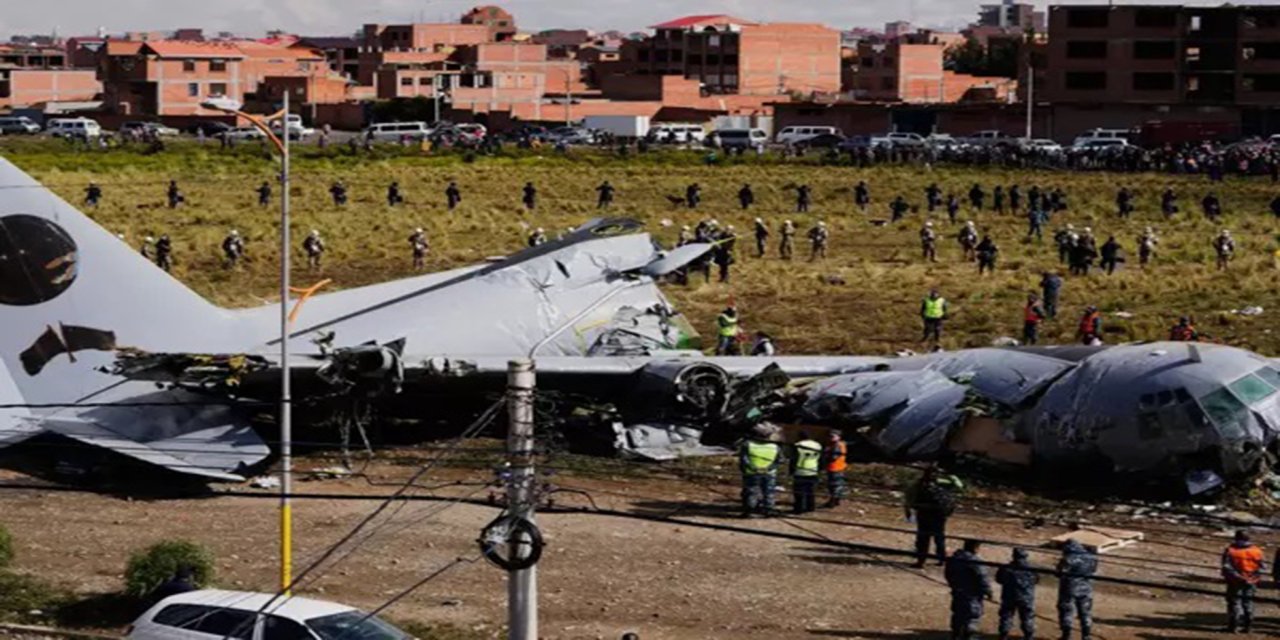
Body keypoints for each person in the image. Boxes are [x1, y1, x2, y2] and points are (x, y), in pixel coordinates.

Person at [905, 466, 963, 567]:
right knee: (939, 537)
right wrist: (949, 475)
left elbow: (909, 497)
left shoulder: (918, 484)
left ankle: (921, 561)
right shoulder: (943, 483)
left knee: (923, 537)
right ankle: (941, 559)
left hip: (924, 513)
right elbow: (959, 486)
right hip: (938, 514)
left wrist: (908, 510)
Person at [945, 540, 992, 640]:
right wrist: (988, 591)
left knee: (958, 615)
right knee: (972, 617)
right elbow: (982, 577)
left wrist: (953, 585)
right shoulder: (974, 561)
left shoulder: (954, 558)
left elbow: (948, 574)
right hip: (972, 594)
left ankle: (956, 635)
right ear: (975, 548)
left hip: (958, 592)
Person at [1221, 530, 1264, 634]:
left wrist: (1239, 577)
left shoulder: (1231, 550)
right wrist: (1252, 577)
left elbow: (1227, 567)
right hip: (1252, 581)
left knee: (1235, 602)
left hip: (1235, 581)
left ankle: (1233, 626)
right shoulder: (1257, 551)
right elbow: (1262, 567)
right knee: (1248, 603)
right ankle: (1248, 627)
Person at [1056, 539, 1097, 640]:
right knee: (1085, 613)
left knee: (1067, 612)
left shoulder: (1069, 558)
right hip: (1086, 588)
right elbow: (1093, 570)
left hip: (1069, 588)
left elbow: (1059, 573)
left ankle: (1066, 636)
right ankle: (1086, 635)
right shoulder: (1091, 557)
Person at [738, 424, 781, 517]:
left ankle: (749, 510)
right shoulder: (775, 447)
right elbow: (778, 460)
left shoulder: (748, 444)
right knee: (769, 492)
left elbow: (744, 459)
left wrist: (751, 468)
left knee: (751, 491)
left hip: (752, 473)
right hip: (769, 473)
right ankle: (768, 510)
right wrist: (769, 468)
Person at [996, 548, 1038, 640]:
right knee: (1027, 617)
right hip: (1026, 597)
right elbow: (1036, 580)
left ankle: (1003, 635)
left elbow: (999, 579)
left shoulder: (1005, 568)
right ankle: (1028, 636)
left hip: (1009, 596)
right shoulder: (1031, 569)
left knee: (1006, 616)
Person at [790, 433, 822, 515]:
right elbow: (821, 458)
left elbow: (794, 459)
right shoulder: (817, 445)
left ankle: (799, 509)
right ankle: (810, 507)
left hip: (800, 470)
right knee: (810, 491)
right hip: (813, 470)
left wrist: (791, 471)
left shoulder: (798, 445)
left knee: (799, 492)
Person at [820, 431, 847, 508]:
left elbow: (833, 457)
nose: (830, 438)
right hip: (839, 467)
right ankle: (836, 500)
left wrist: (826, 454)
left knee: (834, 485)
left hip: (834, 468)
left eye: (833, 436)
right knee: (837, 485)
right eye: (830, 436)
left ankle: (833, 501)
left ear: (839, 437)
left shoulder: (836, 446)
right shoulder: (841, 444)